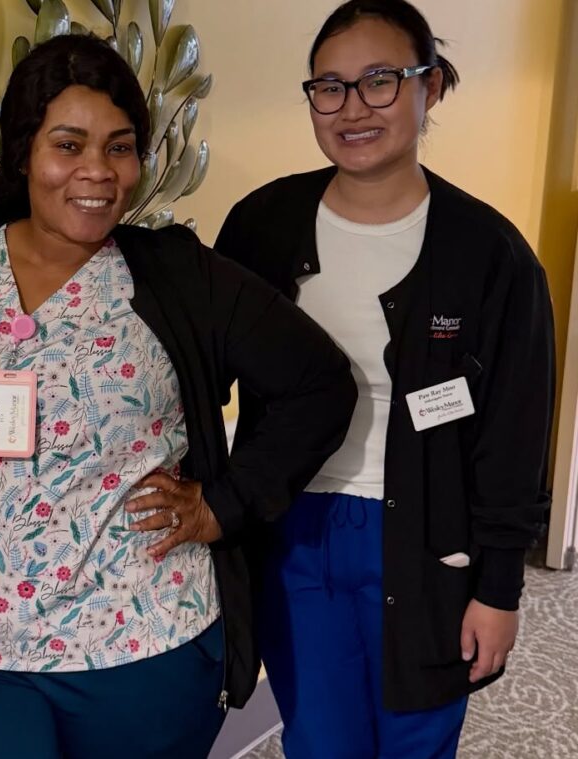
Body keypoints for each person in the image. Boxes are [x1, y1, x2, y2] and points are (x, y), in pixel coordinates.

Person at [0, 34, 356, 759]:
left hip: (146, 643)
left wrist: (224, 503)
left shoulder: (177, 277)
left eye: (119, 148)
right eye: (69, 144)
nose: (98, 173)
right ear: (22, 152)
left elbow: (318, 382)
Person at [213, 2, 555, 757]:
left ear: (429, 88)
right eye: (328, 87)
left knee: (415, 739)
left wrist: (499, 589)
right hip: (297, 531)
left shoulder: (490, 254)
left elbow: (514, 436)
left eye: (379, 81)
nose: (352, 108)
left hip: (433, 537)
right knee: (321, 741)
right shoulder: (261, 227)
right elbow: (204, 373)